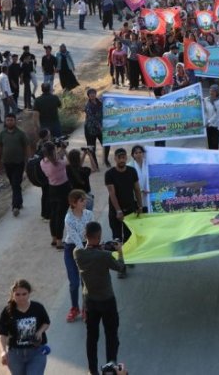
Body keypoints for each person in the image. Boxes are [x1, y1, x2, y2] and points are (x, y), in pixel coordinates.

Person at [73, 221, 126, 375]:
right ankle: (111, 368)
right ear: (100, 236)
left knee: (92, 337)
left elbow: (87, 251)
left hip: (90, 301)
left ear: (85, 235)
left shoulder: (78, 253)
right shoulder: (105, 255)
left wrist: (98, 247)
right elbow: (121, 267)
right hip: (107, 300)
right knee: (111, 335)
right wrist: (120, 251)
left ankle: (92, 370)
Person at [0, 279, 50, 375]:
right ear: (13, 294)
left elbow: (46, 322)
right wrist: (3, 352)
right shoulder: (7, 311)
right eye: (17, 294)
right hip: (15, 355)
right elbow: (2, 334)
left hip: (37, 352)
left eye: (24, 294)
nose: (21, 297)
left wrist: (40, 332)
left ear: (29, 293)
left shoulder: (38, 307)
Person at [104, 149, 142, 274]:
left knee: (128, 237)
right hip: (115, 212)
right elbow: (112, 193)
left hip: (130, 210)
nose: (121, 160)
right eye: (119, 157)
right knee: (117, 239)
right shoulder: (109, 174)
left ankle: (128, 258)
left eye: (123, 157)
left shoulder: (132, 171)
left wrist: (140, 205)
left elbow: (137, 189)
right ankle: (120, 267)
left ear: (126, 158)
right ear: (114, 158)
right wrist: (118, 210)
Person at [63, 190, 94, 323]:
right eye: (82, 200)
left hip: (85, 246)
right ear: (73, 203)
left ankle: (85, 308)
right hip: (72, 249)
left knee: (85, 282)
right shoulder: (68, 219)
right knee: (74, 282)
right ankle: (74, 308)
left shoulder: (89, 214)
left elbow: (92, 231)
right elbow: (75, 238)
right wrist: (85, 252)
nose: (85, 202)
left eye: (85, 200)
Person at [0, 113, 30, 216]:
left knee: (15, 184)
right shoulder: (2, 134)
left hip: (19, 163)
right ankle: (19, 201)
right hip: (7, 163)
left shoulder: (21, 134)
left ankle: (15, 206)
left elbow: (27, 147)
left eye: (11, 120)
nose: (9, 122)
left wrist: (28, 160)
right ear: (5, 122)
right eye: (8, 120)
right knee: (14, 184)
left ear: (15, 121)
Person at [40, 142, 71, 249]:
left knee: (53, 215)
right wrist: (64, 150)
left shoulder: (42, 163)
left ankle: (54, 239)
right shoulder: (59, 163)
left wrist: (59, 151)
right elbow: (69, 161)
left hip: (52, 189)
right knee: (60, 216)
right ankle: (59, 241)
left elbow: (54, 158)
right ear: (53, 151)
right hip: (63, 189)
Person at [84, 88, 110, 169]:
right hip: (90, 129)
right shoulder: (87, 106)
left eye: (93, 93)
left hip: (100, 128)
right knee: (92, 148)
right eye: (90, 94)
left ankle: (105, 159)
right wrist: (100, 126)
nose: (92, 95)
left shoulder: (100, 102)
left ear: (96, 94)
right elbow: (92, 118)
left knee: (107, 144)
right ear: (88, 96)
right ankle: (95, 165)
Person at [127, 146, 149, 212]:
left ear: (143, 153)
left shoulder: (148, 163)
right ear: (133, 155)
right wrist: (141, 190)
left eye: (140, 152)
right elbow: (129, 182)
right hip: (136, 195)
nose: (138, 154)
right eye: (136, 153)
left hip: (148, 193)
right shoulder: (129, 166)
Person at [204, 84, 219, 150]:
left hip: (217, 125)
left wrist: (209, 122)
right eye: (210, 91)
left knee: (215, 143)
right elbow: (204, 110)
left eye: (213, 91)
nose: (211, 92)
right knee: (209, 143)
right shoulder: (206, 100)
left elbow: (217, 114)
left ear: (217, 92)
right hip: (208, 125)